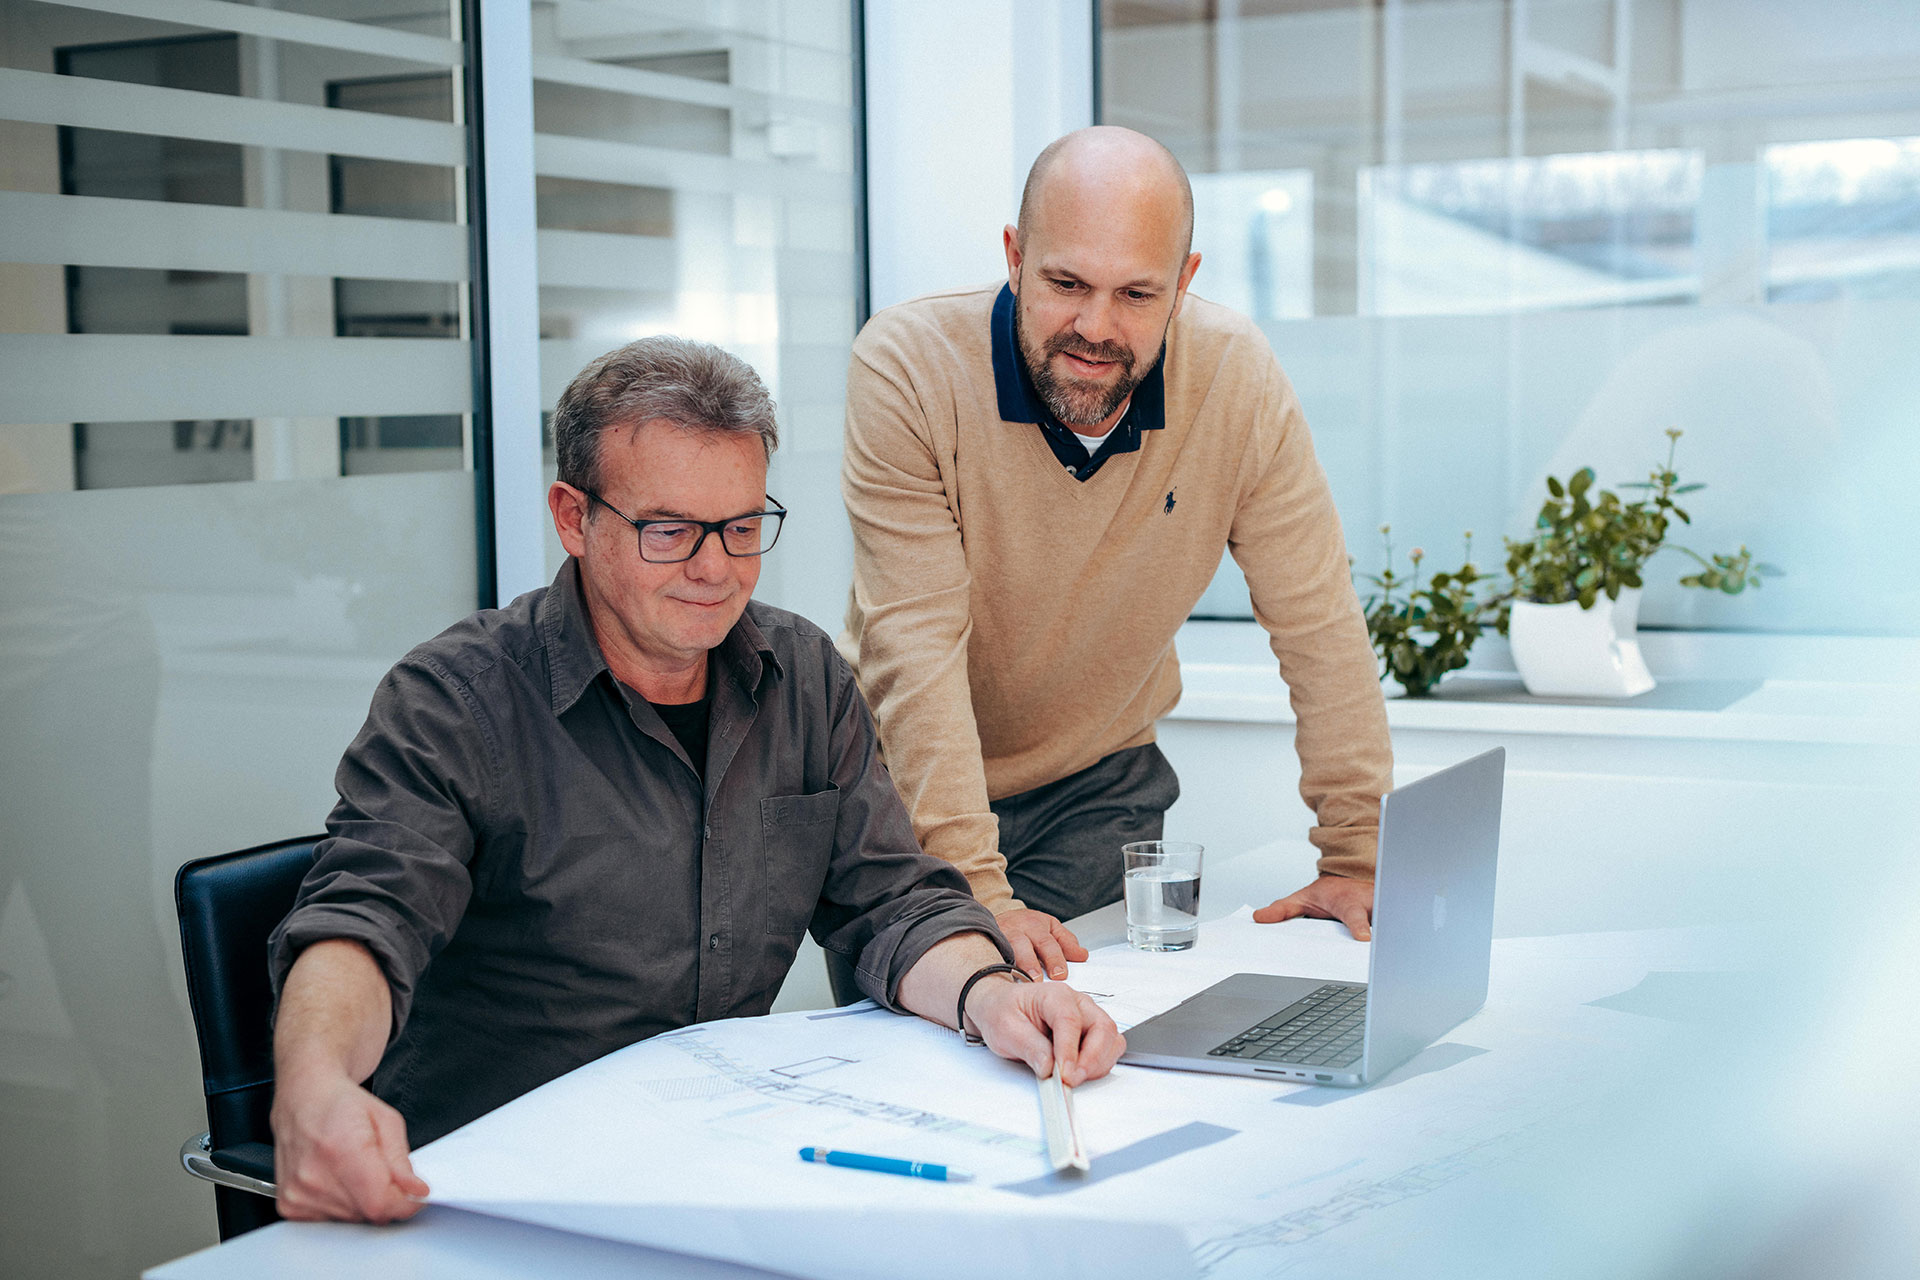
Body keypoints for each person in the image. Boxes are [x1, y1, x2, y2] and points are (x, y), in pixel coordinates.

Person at [267, 336, 1121, 1224]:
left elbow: (892, 902)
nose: (716, 570)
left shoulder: (803, 676)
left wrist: (994, 1001)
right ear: (574, 517)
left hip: (717, 1161)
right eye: (669, 531)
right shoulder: (456, 702)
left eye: (743, 528)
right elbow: (364, 923)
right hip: (498, 1184)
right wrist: (316, 1086)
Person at [838, 126, 1394, 988]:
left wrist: (1358, 854)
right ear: (1016, 257)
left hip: (1093, 789)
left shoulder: (1235, 377)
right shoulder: (909, 366)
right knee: (937, 1053)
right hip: (907, 794)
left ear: (1185, 284)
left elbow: (1317, 618)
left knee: (1095, 1036)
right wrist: (976, 890)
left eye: (1137, 294)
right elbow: (913, 649)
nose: (1095, 328)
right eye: (1066, 283)